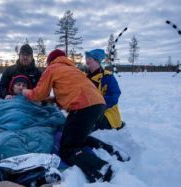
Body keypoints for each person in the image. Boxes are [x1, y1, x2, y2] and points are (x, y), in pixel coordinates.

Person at [22, 49, 113, 183]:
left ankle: (101, 169)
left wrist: (25, 92)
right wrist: (51, 99)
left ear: (50, 61)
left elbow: (38, 94)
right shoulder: (73, 69)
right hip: (98, 105)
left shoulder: (52, 68)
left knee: (68, 149)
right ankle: (110, 150)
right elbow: (68, 92)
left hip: (82, 107)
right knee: (77, 137)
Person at [85, 49, 125, 130]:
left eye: (89, 58)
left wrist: (97, 105)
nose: (86, 60)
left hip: (107, 114)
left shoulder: (107, 77)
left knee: (87, 124)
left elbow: (114, 96)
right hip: (88, 111)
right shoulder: (84, 77)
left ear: (97, 61)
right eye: (86, 58)